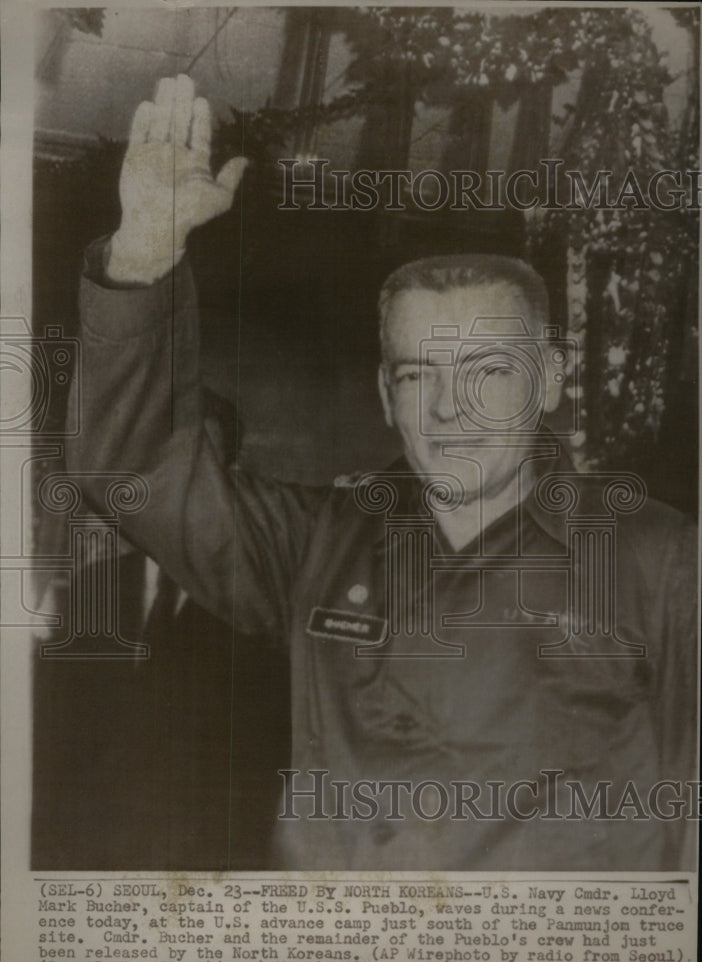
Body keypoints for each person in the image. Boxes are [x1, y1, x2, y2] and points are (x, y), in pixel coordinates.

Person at [67, 75, 697, 871]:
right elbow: (131, 468)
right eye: (416, 376)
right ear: (384, 395)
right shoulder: (318, 541)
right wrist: (140, 258)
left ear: (548, 380)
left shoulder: (660, 556)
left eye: (488, 372)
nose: (448, 409)